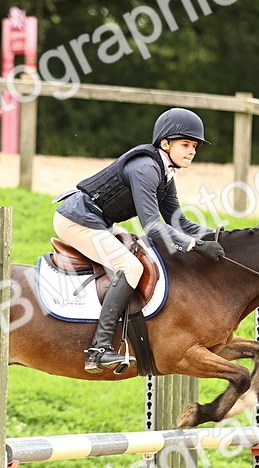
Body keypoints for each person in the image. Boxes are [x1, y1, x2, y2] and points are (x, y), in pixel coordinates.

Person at [53, 107, 225, 374]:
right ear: (165, 143)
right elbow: (154, 228)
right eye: (185, 144)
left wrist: (215, 235)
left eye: (194, 146)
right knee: (131, 267)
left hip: (97, 221)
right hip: (76, 221)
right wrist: (195, 246)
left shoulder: (165, 172)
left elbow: (178, 221)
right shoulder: (145, 168)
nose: (191, 151)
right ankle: (99, 350)